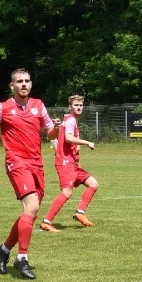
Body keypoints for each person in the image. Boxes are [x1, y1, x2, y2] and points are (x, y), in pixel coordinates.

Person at [0, 69, 59, 280]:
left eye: (27, 81)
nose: (24, 84)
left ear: (31, 84)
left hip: (37, 164)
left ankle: (3, 250)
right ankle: (22, 258)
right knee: (32, 207)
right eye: (19, 81)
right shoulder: (2, 108)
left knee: (30, 213)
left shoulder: (39, 106)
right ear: (11, 85)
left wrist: (56, 129)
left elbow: (50, 133)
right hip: (16, 162)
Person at [40, 95, 99, 232]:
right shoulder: (71, 120)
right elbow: (68, 138)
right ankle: (46, 221)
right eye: (76, 105)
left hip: (72, 163)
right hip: (66, 163)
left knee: (93, 184)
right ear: (70, 107)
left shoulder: (68, 119)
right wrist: (87, 142)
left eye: (80, 105)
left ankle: (80, 212)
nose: (79, 107)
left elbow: (61, 138)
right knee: (66, 192)